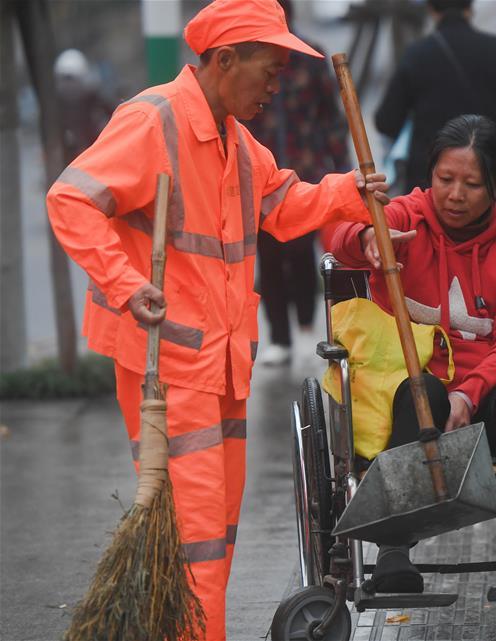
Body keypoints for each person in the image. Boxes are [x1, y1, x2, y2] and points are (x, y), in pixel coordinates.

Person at [45, 1, 387, 639]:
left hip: (219, 364)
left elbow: (282, 205)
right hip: (169, 364)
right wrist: (125, 283)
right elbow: (70, 199)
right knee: (196, 538)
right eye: (270, 70)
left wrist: (351, 192)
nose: (276, 85)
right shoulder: (153, 121)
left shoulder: (234, 138)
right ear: (225, 60)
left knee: (214, 536)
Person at [323, 114, 496, 593]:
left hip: (486, 403)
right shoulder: (404, 219)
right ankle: (394, 550)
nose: (455, 195)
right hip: (410, 399)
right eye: (445, 179)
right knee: (423, 389)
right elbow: (341, 236)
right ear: (430, 175)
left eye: (472, 184)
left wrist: (470, 394)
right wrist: (368, 237)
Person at [375, 0, 496, 211]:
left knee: (428, 233)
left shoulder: (416, 54)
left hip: (431, 186)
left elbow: (386, 122)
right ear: (470, 8)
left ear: (431, 9)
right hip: (490, 181)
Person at [246, 0, 352, 366]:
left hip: (305, 171)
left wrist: (341, 167)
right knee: (269, 259)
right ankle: (280, 337)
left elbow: (331, 117)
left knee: (302, 253)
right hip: (261, 175)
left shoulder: (310, 58)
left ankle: (307, 325)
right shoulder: (251, 60)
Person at [54, 48, 113, 163]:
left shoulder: (94, 100)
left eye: (72, 80)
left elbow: (114, 116)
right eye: (65, 80)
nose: (69, 85)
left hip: (96, 157)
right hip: (71, 161)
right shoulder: (57, 107)